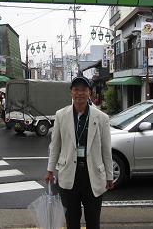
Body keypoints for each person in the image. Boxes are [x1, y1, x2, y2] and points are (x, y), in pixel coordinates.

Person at [44, 75, 114, 229]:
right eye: (76, 89)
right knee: (71, 219)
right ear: (71, 92)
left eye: (84, 90)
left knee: (93, 220)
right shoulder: (61, 115)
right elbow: (55, 145)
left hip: (93, 175)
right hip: (69, 174)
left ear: (90, 93)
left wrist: (109, 176)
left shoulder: (102, 118)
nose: (80, 93)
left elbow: (106, 149)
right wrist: (50, 170)